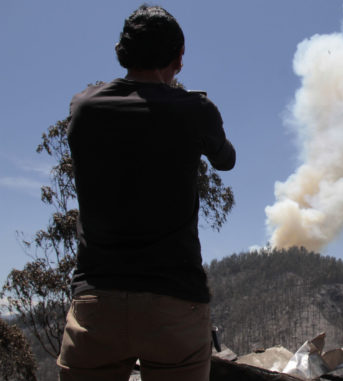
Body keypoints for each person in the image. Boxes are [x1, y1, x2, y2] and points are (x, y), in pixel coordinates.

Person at [57, 5, 235, 381]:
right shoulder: (194, 110)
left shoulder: (84, 107)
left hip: (96, 300)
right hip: (174, 302)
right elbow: (226, 160)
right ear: (179, 59)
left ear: (122, 50)